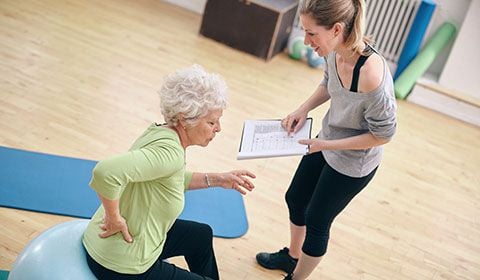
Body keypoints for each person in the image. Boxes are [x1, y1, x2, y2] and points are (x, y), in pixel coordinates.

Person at [255, 0, 397, 279]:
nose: (306, 41)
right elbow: (328, 84)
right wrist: (303, 109)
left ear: (336, 29)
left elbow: (383, 135)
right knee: (295, 199)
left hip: (354, 161)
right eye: (304, 32)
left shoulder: (370, 74)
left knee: (317, 220)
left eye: (311, 33)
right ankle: (292, 258)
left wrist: (326, 145)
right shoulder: (334, 52)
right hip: (325, 141)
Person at [82, 64, 256, 280]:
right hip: (121, 264)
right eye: (211, 122)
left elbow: (169, 179)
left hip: (122, 243)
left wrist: (219, 179)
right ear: (184, 119)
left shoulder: (162, 132)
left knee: (201, 235)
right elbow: (105, 172)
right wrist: (114, 217)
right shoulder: (170, 153)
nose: (218, 128)